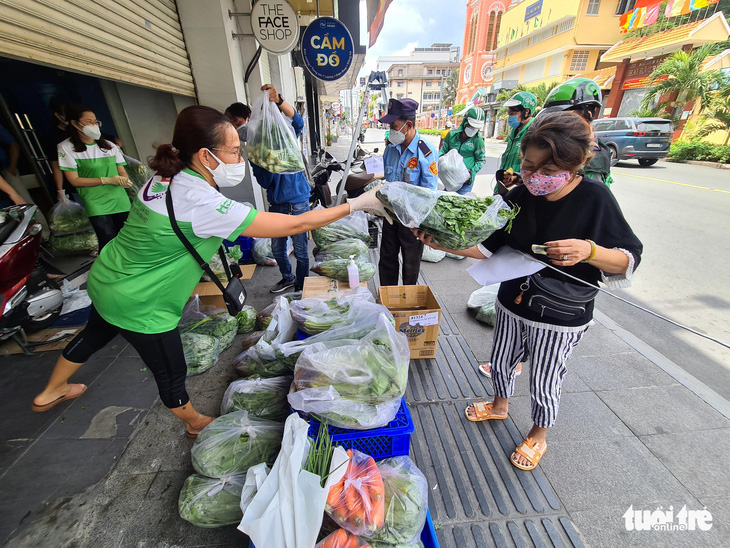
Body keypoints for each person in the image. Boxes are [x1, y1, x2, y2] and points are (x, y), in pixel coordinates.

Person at [31, 104, 388, 438]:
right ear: (205, 155)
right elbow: (295, 226)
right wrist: (356, 204)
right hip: (140, 302)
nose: (239, 158)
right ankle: (193, 421)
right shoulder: (200, 200)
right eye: (234, 151)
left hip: (108, 277)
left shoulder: (163, 177)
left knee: (94, 335)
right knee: (171, 370)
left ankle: (50, 390)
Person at [415, 111, 642, 471]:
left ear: (575, 165)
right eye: (527, 164)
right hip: (513, 299)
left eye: (546, 172)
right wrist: (441, 242)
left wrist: (591, 251)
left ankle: (539, 434)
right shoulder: (519, 194)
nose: (532, 176)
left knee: (546, 375)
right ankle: (499, 405)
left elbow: (628, 258)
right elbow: (486, 246)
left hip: (560, 313)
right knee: (502, 360)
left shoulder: (595, 199)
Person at [248, 85, 311, 294]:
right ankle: (287, 278)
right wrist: (262, 163)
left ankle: (302, 285)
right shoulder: (259, 152)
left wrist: (279, 101)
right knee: (277, 248)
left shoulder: (289, 138)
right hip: (277, 204)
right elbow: (265, 182)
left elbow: (298, 121)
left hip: (299, 202)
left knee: (301, 250)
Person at [378, 98, 439, 286]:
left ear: (408, 124)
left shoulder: (425, 152)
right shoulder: (390, 149)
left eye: (394, 125)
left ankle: (407, 299)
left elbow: (429, 193)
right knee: (387, 258)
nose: (391, 130)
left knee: (411, 264)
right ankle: (387, 298)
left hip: (413, 217)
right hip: (390, 214)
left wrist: (419, 223)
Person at [58, 104, 132, 250]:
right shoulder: (66, 148)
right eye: (89, 121)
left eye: (95, 121)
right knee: (108, 241)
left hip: (119, 199)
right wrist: (106, 180)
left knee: (128, 239)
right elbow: (74, 180)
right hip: (96, 202)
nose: (94, 125)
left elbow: (121, 170)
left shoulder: (109, 146)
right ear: (75, 123)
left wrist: (124, 179)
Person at [540, 78, 613, 187]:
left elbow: (586, 199)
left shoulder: (593, 159)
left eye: (563, 116)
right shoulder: (562, 145)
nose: (556, 123)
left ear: (586, 115)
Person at [495, 91, 537, 196]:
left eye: (513, 114)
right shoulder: (514, 131)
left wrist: (518, 178)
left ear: (526, 112)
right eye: (509, 113)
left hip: (519, 189)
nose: (510, 117)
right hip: (504, 187)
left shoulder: (535, 132)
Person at [439, 108, 486, 194]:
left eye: (476, 127)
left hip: (465, 182)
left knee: (460, 204)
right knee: (445, 201)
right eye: (471, 126)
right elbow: (442, 150)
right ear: (465, 122)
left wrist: (471, 172)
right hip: (450, 178)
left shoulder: (478, 140)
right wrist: (441, 158)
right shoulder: (452, 135)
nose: (473, 129)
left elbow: (481, 160)